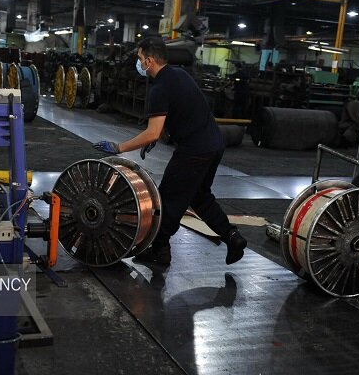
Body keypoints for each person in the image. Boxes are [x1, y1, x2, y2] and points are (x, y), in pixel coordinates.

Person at [93, 37, 247, 265]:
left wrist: (119, 148)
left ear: (149, 61)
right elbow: (181, 108)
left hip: (194, 150)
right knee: (200, 197)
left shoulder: (159, 88)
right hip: (214, 144)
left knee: (167, 199)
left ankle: (160, 251)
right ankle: (232, 237)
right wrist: (162, 132)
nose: (139, 64)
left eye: (140, 59)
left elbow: (152, 132)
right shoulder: (179, 75)